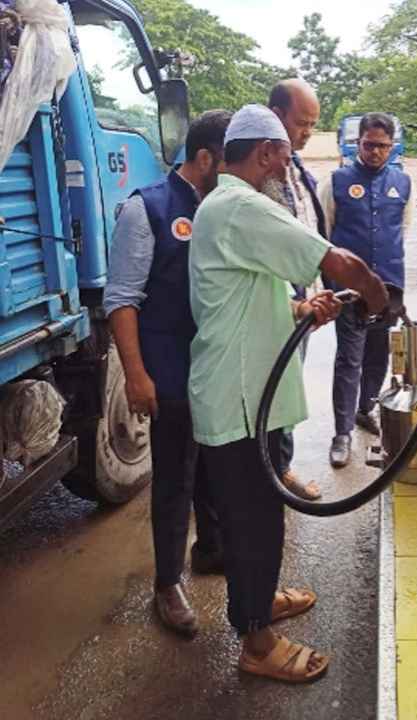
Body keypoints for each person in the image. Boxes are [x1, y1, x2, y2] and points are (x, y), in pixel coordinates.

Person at [188, 105, 388, 682]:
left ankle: (257, 599)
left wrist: (303, 309)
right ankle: (256, 641)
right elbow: (338, 260)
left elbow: (249, 293)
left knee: (258, 511)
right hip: (238, 397)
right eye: (285, 151)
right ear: (267, 152)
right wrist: (376, 295)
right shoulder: (242, 204)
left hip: (248, 391)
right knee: (253, 520)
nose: (288, 162)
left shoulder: (225, 207)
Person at [104, 110, 231, 636]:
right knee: (175, 477)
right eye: (231, 161)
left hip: (214, 367)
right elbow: (122, 300)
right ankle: (167, 582)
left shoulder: (223, 208)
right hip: (170, 369)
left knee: (214, 468)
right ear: (205, 159)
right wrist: (136, 375)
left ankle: (212, 551)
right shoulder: (148, 209)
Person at [318, 112, 413, 467]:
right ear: (358, 143)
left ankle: (365, 408)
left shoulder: (403, 183)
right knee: (349, 358)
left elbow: (402, 230)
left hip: (388, 286)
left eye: (382, 146)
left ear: (392, 147)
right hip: (349, 291)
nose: (375, 152)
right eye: (369, 145)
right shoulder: (336, 181)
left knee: (378, 354)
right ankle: (342, 433)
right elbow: (324, 233)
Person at [265, 78, 328, 499]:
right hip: (276, 302)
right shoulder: (260, 171)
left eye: (312, 124)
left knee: (289, 388)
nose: (307, 131)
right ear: (277, 117)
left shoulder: (297, 167)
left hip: (302, 299)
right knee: (274, 389)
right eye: (302, 122)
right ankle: (273, 473)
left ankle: (277, 466)